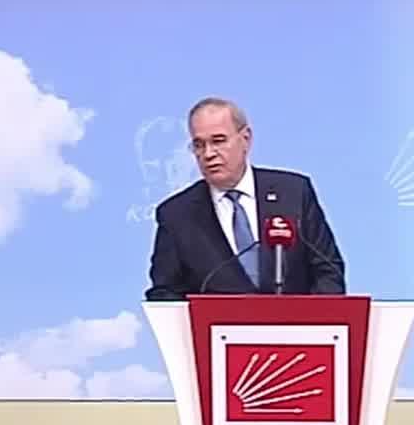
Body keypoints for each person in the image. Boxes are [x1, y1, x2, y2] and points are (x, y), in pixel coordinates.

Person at [145, 97, 346, 299]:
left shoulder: (294, 192)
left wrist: (313, 317)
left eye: (218, 141)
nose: (208, 154)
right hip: (217, 320)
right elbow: (165, 291)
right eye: (198, 145)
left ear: (246, 139)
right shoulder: (176, 214)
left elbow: (328, 270)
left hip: (296, 319)